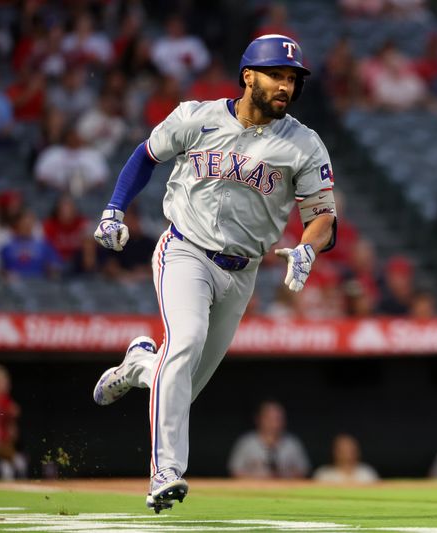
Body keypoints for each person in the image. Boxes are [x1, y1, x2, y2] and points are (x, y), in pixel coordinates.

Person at [90, 35, 336, 513]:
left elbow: (323, 216)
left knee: (182, 382)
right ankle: (165, 473)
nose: (286, 85)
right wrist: (114, 209)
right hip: (186, 251)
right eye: (276, 75)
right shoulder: (195, 117)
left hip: (243, 272)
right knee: (184, 345)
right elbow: (146, 155)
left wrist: (309, 248)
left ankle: (140, 363)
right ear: (249, 76)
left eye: (291, 78)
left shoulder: (304, 143)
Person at [228, 401, 310, 480]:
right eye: (269, 418)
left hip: (285, 489)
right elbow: (235, 471)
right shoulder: (246, 443)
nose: (274, 423)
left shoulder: (292, 443)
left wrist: (284, 480)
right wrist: (260, 481)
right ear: (258, 418)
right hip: (252, 489)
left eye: (278, 418)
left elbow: (303, 471)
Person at [313, 433, 378, 483]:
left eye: (350, 449)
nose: (347, 453)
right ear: (334, 451)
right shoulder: (324, 474)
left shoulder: (367, 472)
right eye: (343, 450)